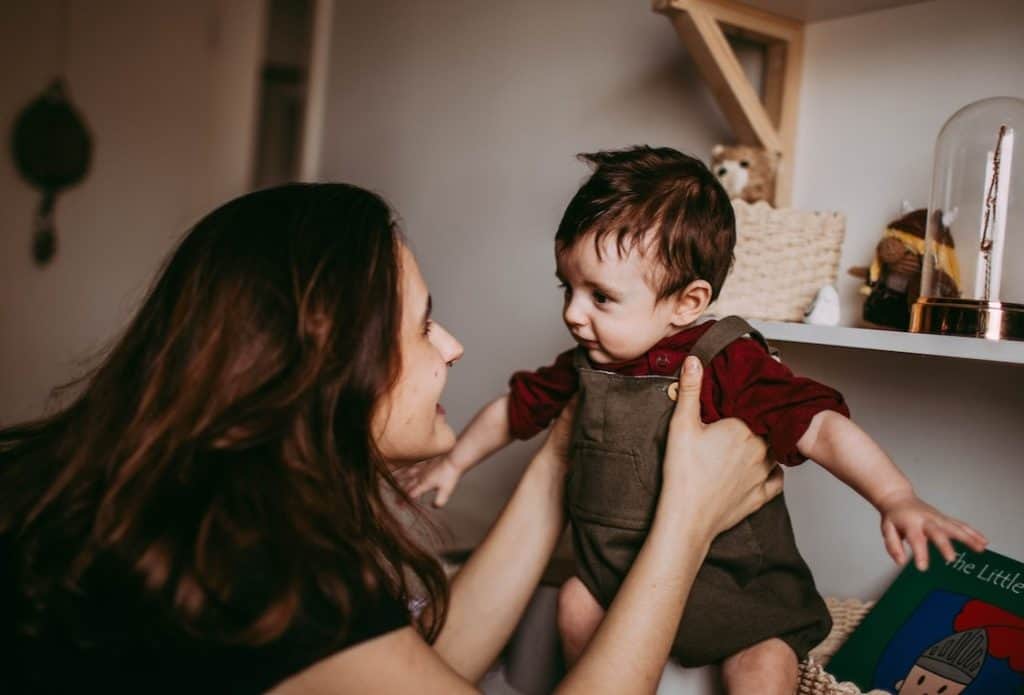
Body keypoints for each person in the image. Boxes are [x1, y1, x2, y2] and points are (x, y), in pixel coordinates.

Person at [0, 182, 781, 693]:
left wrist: (559, 450)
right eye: (422, 325)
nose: (451, 346)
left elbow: (418, 670)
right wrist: (685, 522)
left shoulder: (205, 506)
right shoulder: (255, 563)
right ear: (330, 360)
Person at [400, 147, 989, 694]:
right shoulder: (585, 365)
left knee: (763, 664)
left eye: (600, 297)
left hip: (737, 583)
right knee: (574, 604)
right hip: (620, 574)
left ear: (687, 302)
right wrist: (455, 459)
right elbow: (513, 409)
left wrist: (896, 497)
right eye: (567, 288)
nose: (573, 314)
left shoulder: (727, 360)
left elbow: (821, 425)